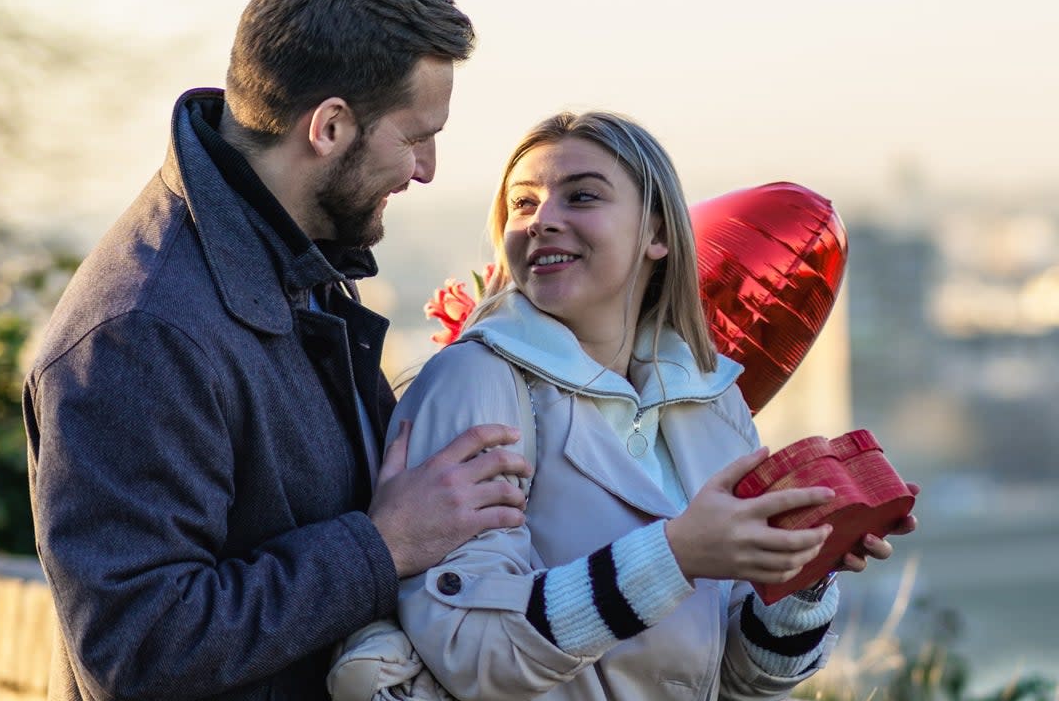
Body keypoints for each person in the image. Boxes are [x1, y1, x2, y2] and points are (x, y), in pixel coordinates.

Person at [22, 0, 532, 701]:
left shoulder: (296, 263)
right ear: (327, 127)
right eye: (416, 134)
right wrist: (384, 544)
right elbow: (139, 648)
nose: (425, 168)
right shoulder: (139, 331)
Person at [390, 111, 918, 700]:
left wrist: (802, 576)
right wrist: (676, 556)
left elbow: (745, 681)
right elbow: (474, 649)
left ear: (657, 235)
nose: (543, 221)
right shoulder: (476, 382)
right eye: (522, 204)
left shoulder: (711, 401)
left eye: (582, 197)